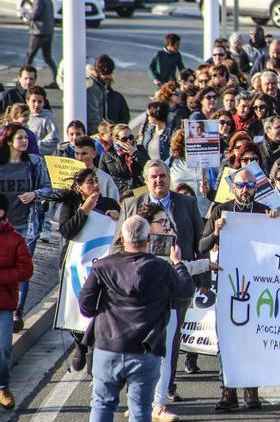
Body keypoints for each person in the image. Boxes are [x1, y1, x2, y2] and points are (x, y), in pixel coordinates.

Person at [79, 215, 193, 422]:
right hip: (145, 348)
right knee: (140, 409)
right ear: (148, 239)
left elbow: (86, 307)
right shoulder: (162, 267)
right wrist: (178, 263)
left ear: (122, 239)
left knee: (101, 404)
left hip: (108, 345)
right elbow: (185, 290)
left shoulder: (103, 266)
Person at [119, 159, 206, 396]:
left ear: (170, 178)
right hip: (142, 285)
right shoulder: (132, 204)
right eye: (154, 177)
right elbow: (119, 244)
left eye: (163, 176)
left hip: (178, 280)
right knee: (141, 337)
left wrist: (204, 282)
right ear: (146, 180)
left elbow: (199, 240)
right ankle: (140, 388)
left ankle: (167, 386)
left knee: (172, 336)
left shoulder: (187, 203)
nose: (159, 180)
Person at [202, 168, 270, 411]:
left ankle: (251, 391)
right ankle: (227, 391)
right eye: (241, 185)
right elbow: (200, 245)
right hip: (227, 283)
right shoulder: (221, 210)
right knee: (227, 341)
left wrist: (276, 223)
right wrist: (216, 232)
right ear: (233, 187)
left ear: (256, 188)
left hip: (258, 286)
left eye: (250, 185)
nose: (245, 190)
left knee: (253, 339)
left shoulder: (264, 211)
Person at [55, 168, 121, 371]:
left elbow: (120, 232)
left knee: (99, 309)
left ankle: (93, 354)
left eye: (96, 181)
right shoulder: (72, 204)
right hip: (75, 265)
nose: (95, 185)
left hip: (101, 264)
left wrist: (118, 216)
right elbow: (67, 231)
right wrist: (84, 210)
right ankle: (80, 344)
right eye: (90, 182)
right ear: (79, 187)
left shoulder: (109, 203)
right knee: (77, 305)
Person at [0, 123, 50, 330]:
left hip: (27, 226)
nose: (25, 141)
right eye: (20, 138)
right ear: (10, 141)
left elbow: (49, 188)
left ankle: (16, 312)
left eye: (26, 138)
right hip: (4, 227)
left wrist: (35, 194)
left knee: (21, 268)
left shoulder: (34, 162)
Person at [0, 194, 33, 410]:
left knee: (3, 347)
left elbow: (26, 270)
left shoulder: (16, 239)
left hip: (4, 303)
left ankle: (2, 386)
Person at [23, 0, 58, 88]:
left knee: (29, 56)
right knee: (48, 57)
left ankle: (24, 79)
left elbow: (34, 15)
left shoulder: (39, 0)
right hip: (48, 32)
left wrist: (26, 13)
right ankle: (56, 79)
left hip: (38, 33)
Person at [99, 124, 148, 199]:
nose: (129, 141)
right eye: (124, 139)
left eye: (131, 137)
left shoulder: (140, 149)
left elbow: (150, 168)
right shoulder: (107, 155)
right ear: (116, 140)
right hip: (120, 195)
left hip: (141, 191)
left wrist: (136, 153)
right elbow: (102, 178)